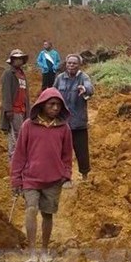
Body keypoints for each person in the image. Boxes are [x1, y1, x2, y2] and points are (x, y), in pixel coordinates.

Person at [10, 87, 72, 262]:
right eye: (51, 104)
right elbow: (19, 154)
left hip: (53, 180)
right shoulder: (28, 126)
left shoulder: (63, 128)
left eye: (58, 105)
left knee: (47, 214)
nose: (55, 108)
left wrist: (66, 174)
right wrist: (16, 179)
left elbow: (67, 154)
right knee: (30, 209)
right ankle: (31, 252)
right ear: (42, 105)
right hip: (30, 178)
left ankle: (44, 250)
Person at [53, 54, 94, 186]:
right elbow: (53, 93)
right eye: (69, 63)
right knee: (63, 151)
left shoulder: (83, 77)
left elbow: (90, 88)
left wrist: (84, 89)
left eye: (74, 63)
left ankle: (84, 174)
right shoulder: (60, 78)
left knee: (81, 150)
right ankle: (65, 177)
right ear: (66, 64)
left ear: (79, 65)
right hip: (62, 122)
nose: (71, 65)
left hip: (78, 122)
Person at [0, 49, 30, 161]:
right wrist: (8, 109)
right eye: (16, 59)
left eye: (20, 59)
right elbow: (6, 93)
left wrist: (28, 110)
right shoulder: (8, 74)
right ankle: (13, 160)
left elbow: (26, 94)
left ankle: (20, 160)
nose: (19, 61)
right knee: (15, 136)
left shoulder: (22, 74)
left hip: (23, 109)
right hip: (14, 110)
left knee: (22, 135)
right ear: (11, 61)